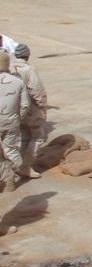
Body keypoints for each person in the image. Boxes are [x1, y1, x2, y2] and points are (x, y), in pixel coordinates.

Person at [11, 44, 47, 179]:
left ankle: (19, 165)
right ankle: (26, 166)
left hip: (14, 109)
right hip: (30, 110)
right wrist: (42, 107)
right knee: (37, 137)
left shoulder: (9, 68)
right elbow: (36, 90)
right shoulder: (29, 70)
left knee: (24, 137)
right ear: (27, 55)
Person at [0, 52, 30, 193]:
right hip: (11, 122)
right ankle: (11, 180)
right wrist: (18, 119)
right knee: (11, 150)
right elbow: (25, 105)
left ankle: (4, 178)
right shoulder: (18, 82)